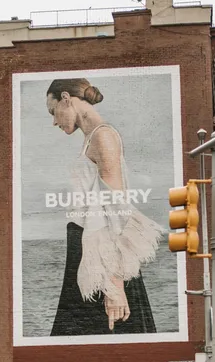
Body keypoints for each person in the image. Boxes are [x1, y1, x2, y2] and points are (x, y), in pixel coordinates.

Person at [45, 77, 165, 336]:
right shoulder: (91, 138)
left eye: (53, 112)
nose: (54, 121)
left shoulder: (103, 137)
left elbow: (116, 214)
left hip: (101, 259)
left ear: (66, 98)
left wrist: (114, 284)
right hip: (85, 250)